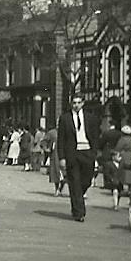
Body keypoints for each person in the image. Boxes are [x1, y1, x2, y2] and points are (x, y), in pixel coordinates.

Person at [57, 93, 101, 222]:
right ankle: (79, 212)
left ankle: (77, 199)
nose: (76, 105)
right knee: (75, 181)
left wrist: (94, 153)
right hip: (72, 154)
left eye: (78, 103)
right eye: (74, 103)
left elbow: (95, 136)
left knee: (86, 180)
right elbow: (61, 139)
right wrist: (62, 158)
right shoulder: (65, 118)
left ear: (83, 103)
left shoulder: (91, 118)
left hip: (87, 152)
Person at [112, 124, 131, 209]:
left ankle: (116, 204)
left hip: (122, 161)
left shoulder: (121, 140)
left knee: (117, 183)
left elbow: (117, 150)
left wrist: (115, 157)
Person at [43, 127, 64, 196]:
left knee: (65, 174)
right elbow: (44, 141)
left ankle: (60, 189)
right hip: (55, 155)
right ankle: (57, 189)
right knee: (56, 173)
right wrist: (46, 148)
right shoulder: (52, 133)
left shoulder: (67, 131)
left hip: (66, 154)